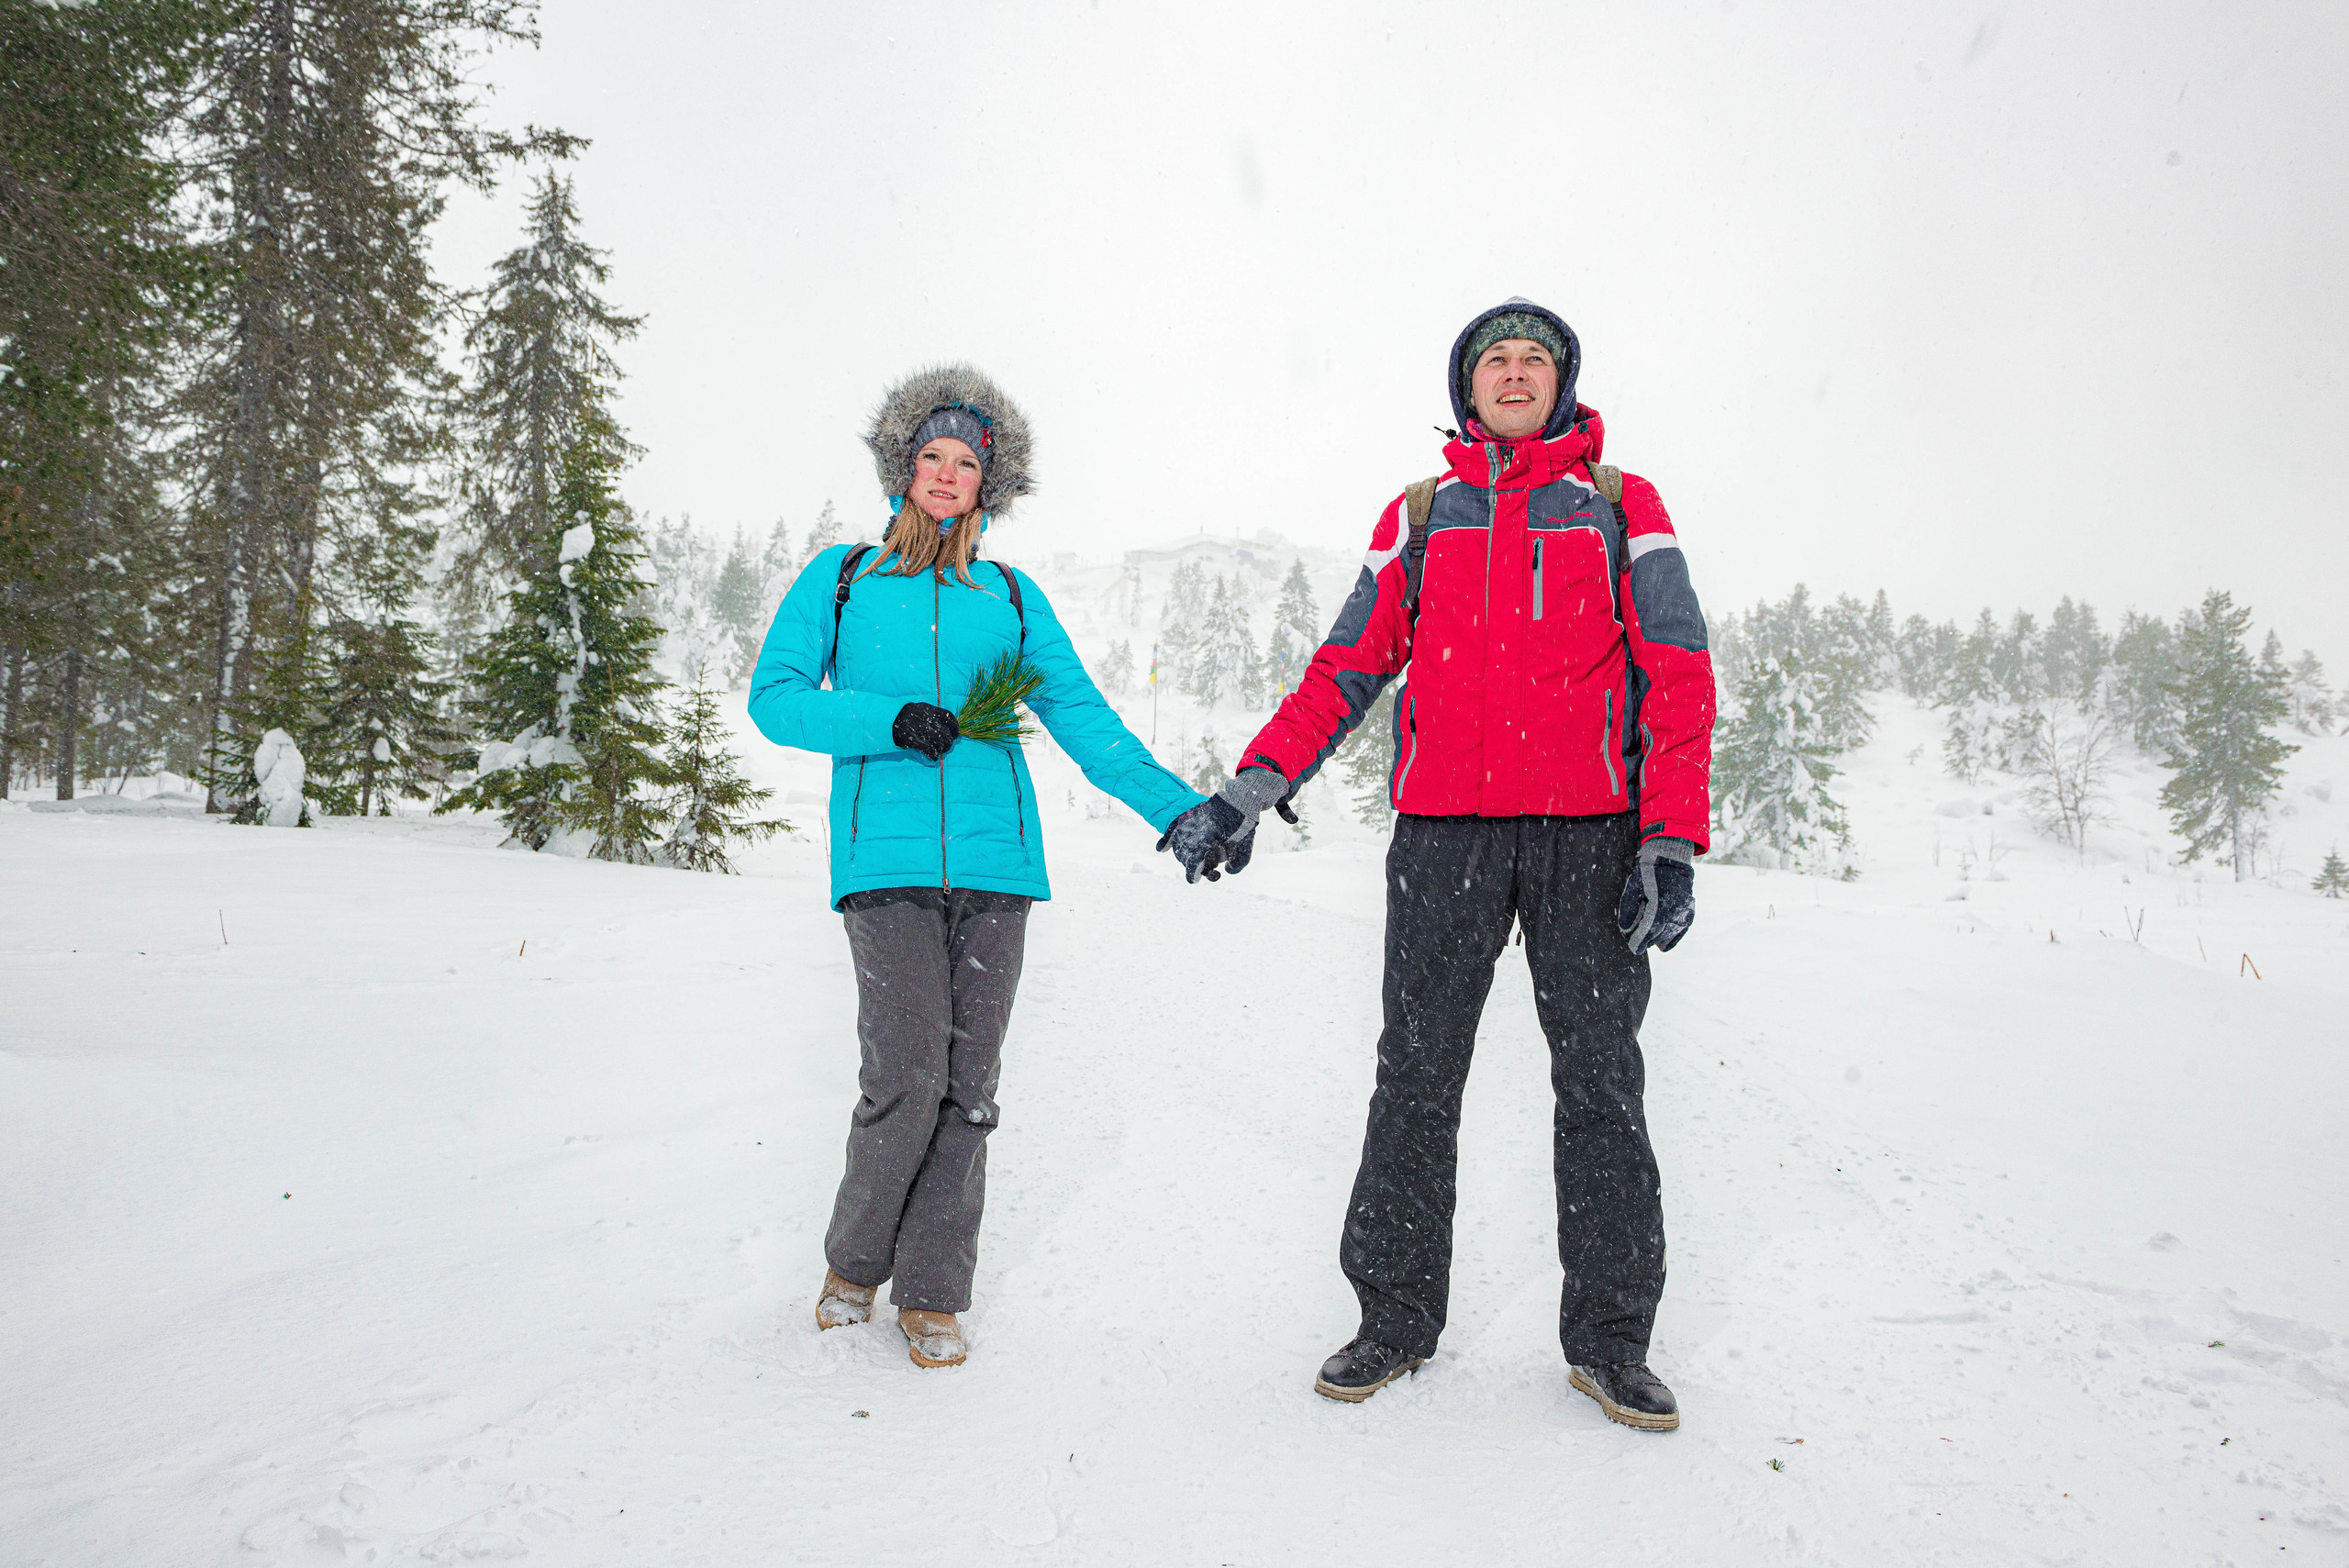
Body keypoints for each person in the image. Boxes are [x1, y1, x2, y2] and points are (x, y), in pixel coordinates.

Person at [1159, 299, 1715, 1429]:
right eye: (1493, 361)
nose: (1514, 374)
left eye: (1534, 360)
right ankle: (1394, 1317)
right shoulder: (1422, 513)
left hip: (1587, 834)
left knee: (1600, 1086)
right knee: (1414, 1078)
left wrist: (1669, 835)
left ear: (1563, 385)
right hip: (1444, 839)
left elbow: (1678, 670)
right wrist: (1245, 792)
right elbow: (1345, 668)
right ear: (1465, 389)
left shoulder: (1620, 506)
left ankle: (1611, 1340)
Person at [749, 364, 1205, 1368]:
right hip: (885, 863)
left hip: (998, 869)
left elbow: (1080, 714)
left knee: (970, 1086)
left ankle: (933, 1290)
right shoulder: (843, 577)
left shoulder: (1008, 593)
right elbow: (775, 698)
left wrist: (1174, 811)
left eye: (966, 462)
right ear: (902, 468)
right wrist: (886, 721)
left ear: (987, 485)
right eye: (932, 456)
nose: (947, 474)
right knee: (905, 1073)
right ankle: (853, 1265)